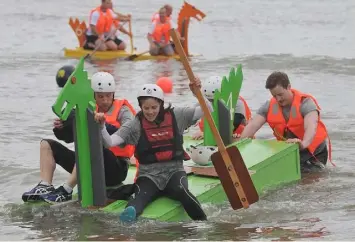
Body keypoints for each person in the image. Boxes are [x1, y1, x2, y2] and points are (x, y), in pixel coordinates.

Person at [95, 79, 212, 222]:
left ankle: (204, 223)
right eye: (146, 108)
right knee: (139, 197)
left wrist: (197, 93)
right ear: (141, 107)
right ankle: (127, 224)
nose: (150, 112)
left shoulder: (177, 115)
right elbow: (109, 142)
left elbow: (208, 109)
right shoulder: (135, 124)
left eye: (154, 107)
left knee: (182, 191)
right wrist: (101, 126)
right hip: (148, 175)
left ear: (161, 104)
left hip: (174, 171)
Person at [22, 71, 136, 203]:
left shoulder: (123, 110)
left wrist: (102, 125)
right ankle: (45, 185)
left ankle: (67, 189)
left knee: (91, 143)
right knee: (46, 144)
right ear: (93, 95)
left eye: (108, 96)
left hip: (115, 169)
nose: (105, 100)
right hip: (88, 164)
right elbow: (68, 138)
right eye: (100, 96)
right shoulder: (86, 108)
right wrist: (62, 127)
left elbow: (128, 132)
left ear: (113, 94)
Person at [240, 71, 331, 173]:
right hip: (291, 150)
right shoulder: (269, 106)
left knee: (309, 182)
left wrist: (303, 143)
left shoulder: (306, 103)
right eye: (274, 96)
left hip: (314, 151)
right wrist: (237, 145)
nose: (278, 99)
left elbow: (311, 127)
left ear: (288, 87)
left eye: (280, 94)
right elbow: (253, 125)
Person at [192, 76, 252, 140]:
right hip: (211, 133)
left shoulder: (237, 102)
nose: (211, 103)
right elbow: (190, 115)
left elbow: (232, 126)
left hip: (237, 133)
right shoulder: (206, 100)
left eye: (214, 100)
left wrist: (207, 134)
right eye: (209, 100)